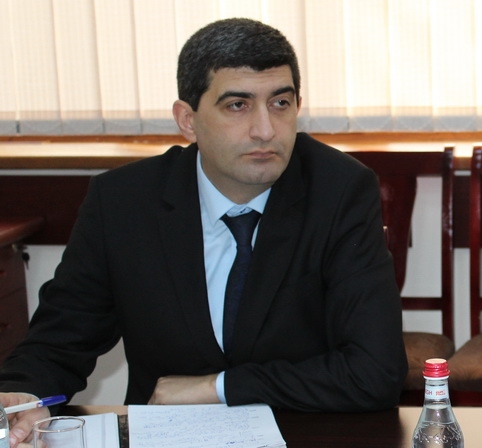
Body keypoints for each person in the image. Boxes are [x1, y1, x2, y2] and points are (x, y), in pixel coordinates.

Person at [0, 18, 407, 446]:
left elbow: (375, 372)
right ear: (188, 120)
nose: (265, 130)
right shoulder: (123, 202)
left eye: (280, 103)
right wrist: (24, 396)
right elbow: (59, 340)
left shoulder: (339, 191)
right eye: (238, 105)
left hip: (304, 435)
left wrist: (219, 387)